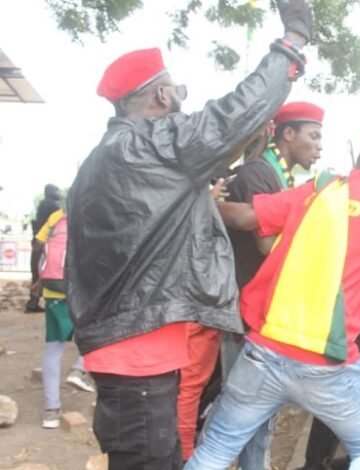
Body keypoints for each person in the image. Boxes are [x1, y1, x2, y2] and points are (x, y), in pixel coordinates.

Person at [65, 2, 313, 468]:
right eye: (176, 91)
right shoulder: (151, 146)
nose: (182, 102)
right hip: (137, 357)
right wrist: (292, 41)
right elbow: (228, 118)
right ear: (159, 97)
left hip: (130, 352)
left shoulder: (107, 158)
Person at [187, 132, 360, 469]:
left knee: (216, 447)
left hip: (264, 351)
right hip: (329, 362)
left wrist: (199, 201)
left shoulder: (318, 188)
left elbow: (244, 217)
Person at [216, 101, 324, 469]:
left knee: (255, 412)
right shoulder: (258, 175)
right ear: (288, 134)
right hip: (245, 311)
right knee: (247, 412)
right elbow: (266, 244)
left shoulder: (278, 177)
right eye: (314, 135)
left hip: (262, 311)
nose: (319, 145)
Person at [35, 208, 95, 429]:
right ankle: (80, 369)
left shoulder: (57, 215)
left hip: (52, 290)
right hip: (79, 289)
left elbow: (39, 245)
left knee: (53, 349)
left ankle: (51, 410)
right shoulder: (92, 212)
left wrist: (38, 280)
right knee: (95, 332)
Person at [26, 184, 61, 313]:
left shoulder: (43, 204)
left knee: (37, 273)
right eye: (56, 191)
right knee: (43, 273)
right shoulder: (52, 207)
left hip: (38, 241)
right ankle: (33, 302)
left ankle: (33, 301)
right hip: (45, 244)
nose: (59, 194)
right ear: (50, 192)